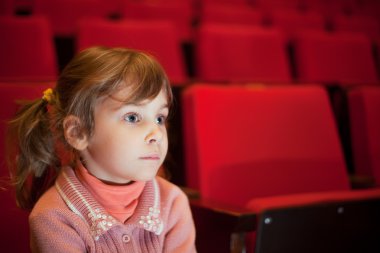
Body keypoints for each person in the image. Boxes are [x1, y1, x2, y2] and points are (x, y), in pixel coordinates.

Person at [7, 46, 196, 253]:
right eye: (132, 117)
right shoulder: (54, 217)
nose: (157, 134)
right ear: (78, 133)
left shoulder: (172, 202)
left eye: (160, 118)